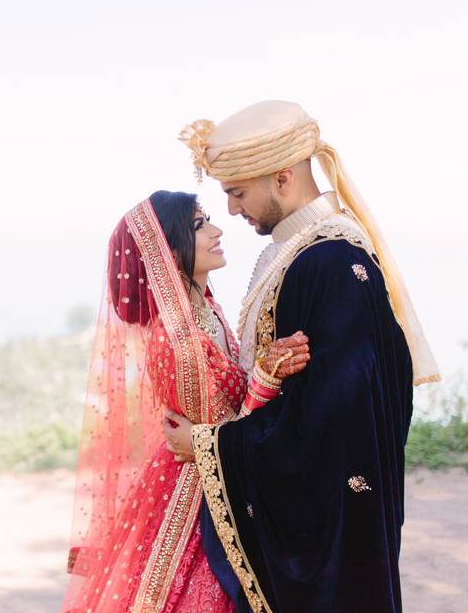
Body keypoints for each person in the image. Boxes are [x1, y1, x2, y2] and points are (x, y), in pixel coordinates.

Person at [164, 100, 440, 612]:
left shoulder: (331, 261)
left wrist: (210, 444)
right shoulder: (295, 253)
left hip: (329, 524)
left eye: (237, 193)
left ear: (283, 177)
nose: (231, 211)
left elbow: (333, 416)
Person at [62, 190, 310, 612]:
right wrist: (268, 375)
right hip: (198, 492)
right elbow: (222, 429)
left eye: (208, 219)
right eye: (199, 226)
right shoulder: (175, 340)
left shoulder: (206, 312)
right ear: (167, 251)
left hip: (218, 474)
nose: (216, 231)